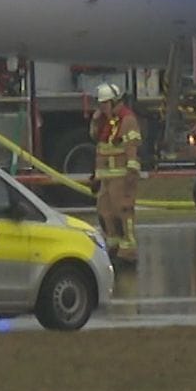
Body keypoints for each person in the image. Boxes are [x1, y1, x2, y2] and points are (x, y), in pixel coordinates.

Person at [89, 82, 142, 262]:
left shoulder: (127, 120)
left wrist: (131, 173)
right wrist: (95, 120)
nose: (102, 107)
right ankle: (113, 244)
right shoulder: (105, 121)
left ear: (114, 102)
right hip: (106, 177)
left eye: (105, 104)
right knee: (105, 211)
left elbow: (131, 147)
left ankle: (128, 249)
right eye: (100, 104)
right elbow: (97, 139)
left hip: (121, 175)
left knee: (123, 210)